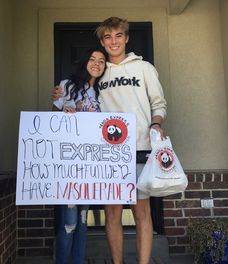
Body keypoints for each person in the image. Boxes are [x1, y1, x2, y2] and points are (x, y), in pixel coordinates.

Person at [52, 17, 167, 264]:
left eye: (118, 36)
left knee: (141, 212)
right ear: (103, 43)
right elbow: (79, 99)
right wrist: (61, 98)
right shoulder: (99, 72)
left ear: (126, 38)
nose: (113, 41)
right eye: (108, 37)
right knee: (112, 213)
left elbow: (158, 103)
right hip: (107, 153)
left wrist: (156, 123)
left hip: (139, 147)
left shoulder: (144, 68)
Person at [52, 47, 106, 264]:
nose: (96, 64)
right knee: (69, 222)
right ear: (84, 62)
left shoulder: (104, 92)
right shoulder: (67, 86)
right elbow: (53, 120)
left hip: (92, 166)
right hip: (69, 166)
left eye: (102, 61)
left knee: (83, 222)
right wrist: (63, 112)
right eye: (92, 59)